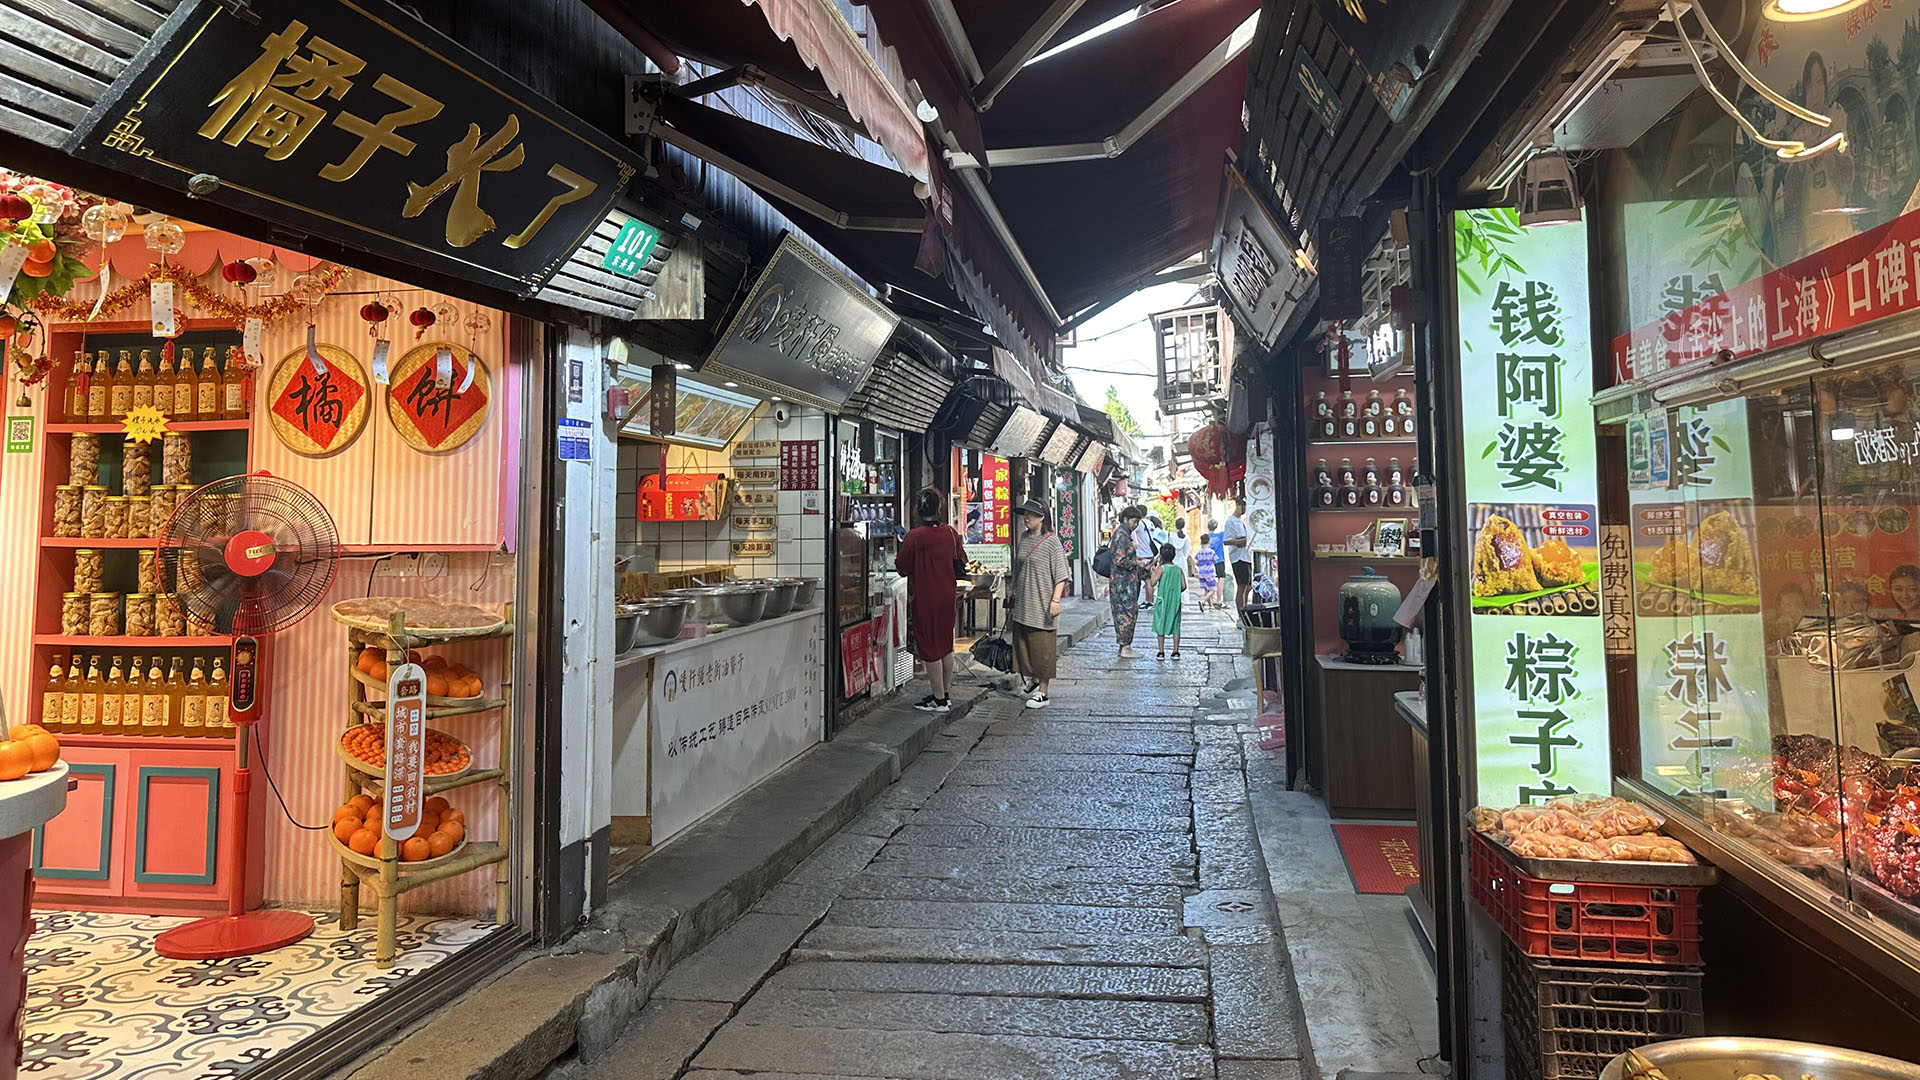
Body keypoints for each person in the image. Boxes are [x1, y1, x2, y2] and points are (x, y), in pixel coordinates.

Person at [897, 487, 964, 712]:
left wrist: (903, 543)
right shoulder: (951, 533)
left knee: (929, 647)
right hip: (947, 596)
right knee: (945, 645)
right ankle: (945, 693)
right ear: (939, 508)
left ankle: (938, 699)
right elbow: (961, 560)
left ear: (918, 509)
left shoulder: (914, 536)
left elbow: (902, 567)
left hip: (926, 598)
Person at [1009, 498, 1070, 709]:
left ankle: (1043, 692)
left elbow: (1062, 574)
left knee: (1043, 648)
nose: (1026, 518)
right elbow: (1018, 569)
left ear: (1042, 518)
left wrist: (1055, 600)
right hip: (1024, 602)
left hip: (1043, 603)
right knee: (1024, 645)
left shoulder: (1052, 541)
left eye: (1031, 515)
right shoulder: (1024, 538)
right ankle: (1034, 682)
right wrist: (1012, 591)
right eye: (1024, 514)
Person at [1109, 505, 1148, 659]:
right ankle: (1126, 646)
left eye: (1137, 522)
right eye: (1133, 521)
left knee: (1123, 612)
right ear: (1125, 519)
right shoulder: (1122, 535)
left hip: (1125, 581)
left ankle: (1123, 645)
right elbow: (1119, 559)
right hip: (1123, 583)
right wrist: (1135, 563)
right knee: (1126, 612)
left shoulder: (1124, 534)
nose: (1135, 525)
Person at [1150, 542, 1186, 659]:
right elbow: (1184, 586)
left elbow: (1152, 583)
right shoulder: (1178, 569)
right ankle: (1176, 651)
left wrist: (1153, 572)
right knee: (1176, 626)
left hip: (1163, 601)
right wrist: (1175, 591)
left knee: (1161, 624)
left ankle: (1161, 651)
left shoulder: (1161, 569)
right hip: (1175, 601)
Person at [1223, 496, 1253, 609]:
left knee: (1248, 586)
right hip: (1238, 557)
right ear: (1238, 506)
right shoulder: (1230, 521)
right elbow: (1227, 541)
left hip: (1246, 556)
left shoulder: (1241, 521)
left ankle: (1245, 608)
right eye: (1243, 506)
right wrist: (1243, 541)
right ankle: (1241, 613)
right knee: (1241, 586)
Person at [1193, 530, 1221, 609]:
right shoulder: (1211, 552)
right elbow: (1215, 560)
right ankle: (1203, 601)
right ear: (1209, 541)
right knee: (1213, 589)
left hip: (1202, 573)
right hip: (1210, 573)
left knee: (1206, 589)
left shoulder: (1199, 552)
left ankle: (1211, 605)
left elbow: (1196, 562)